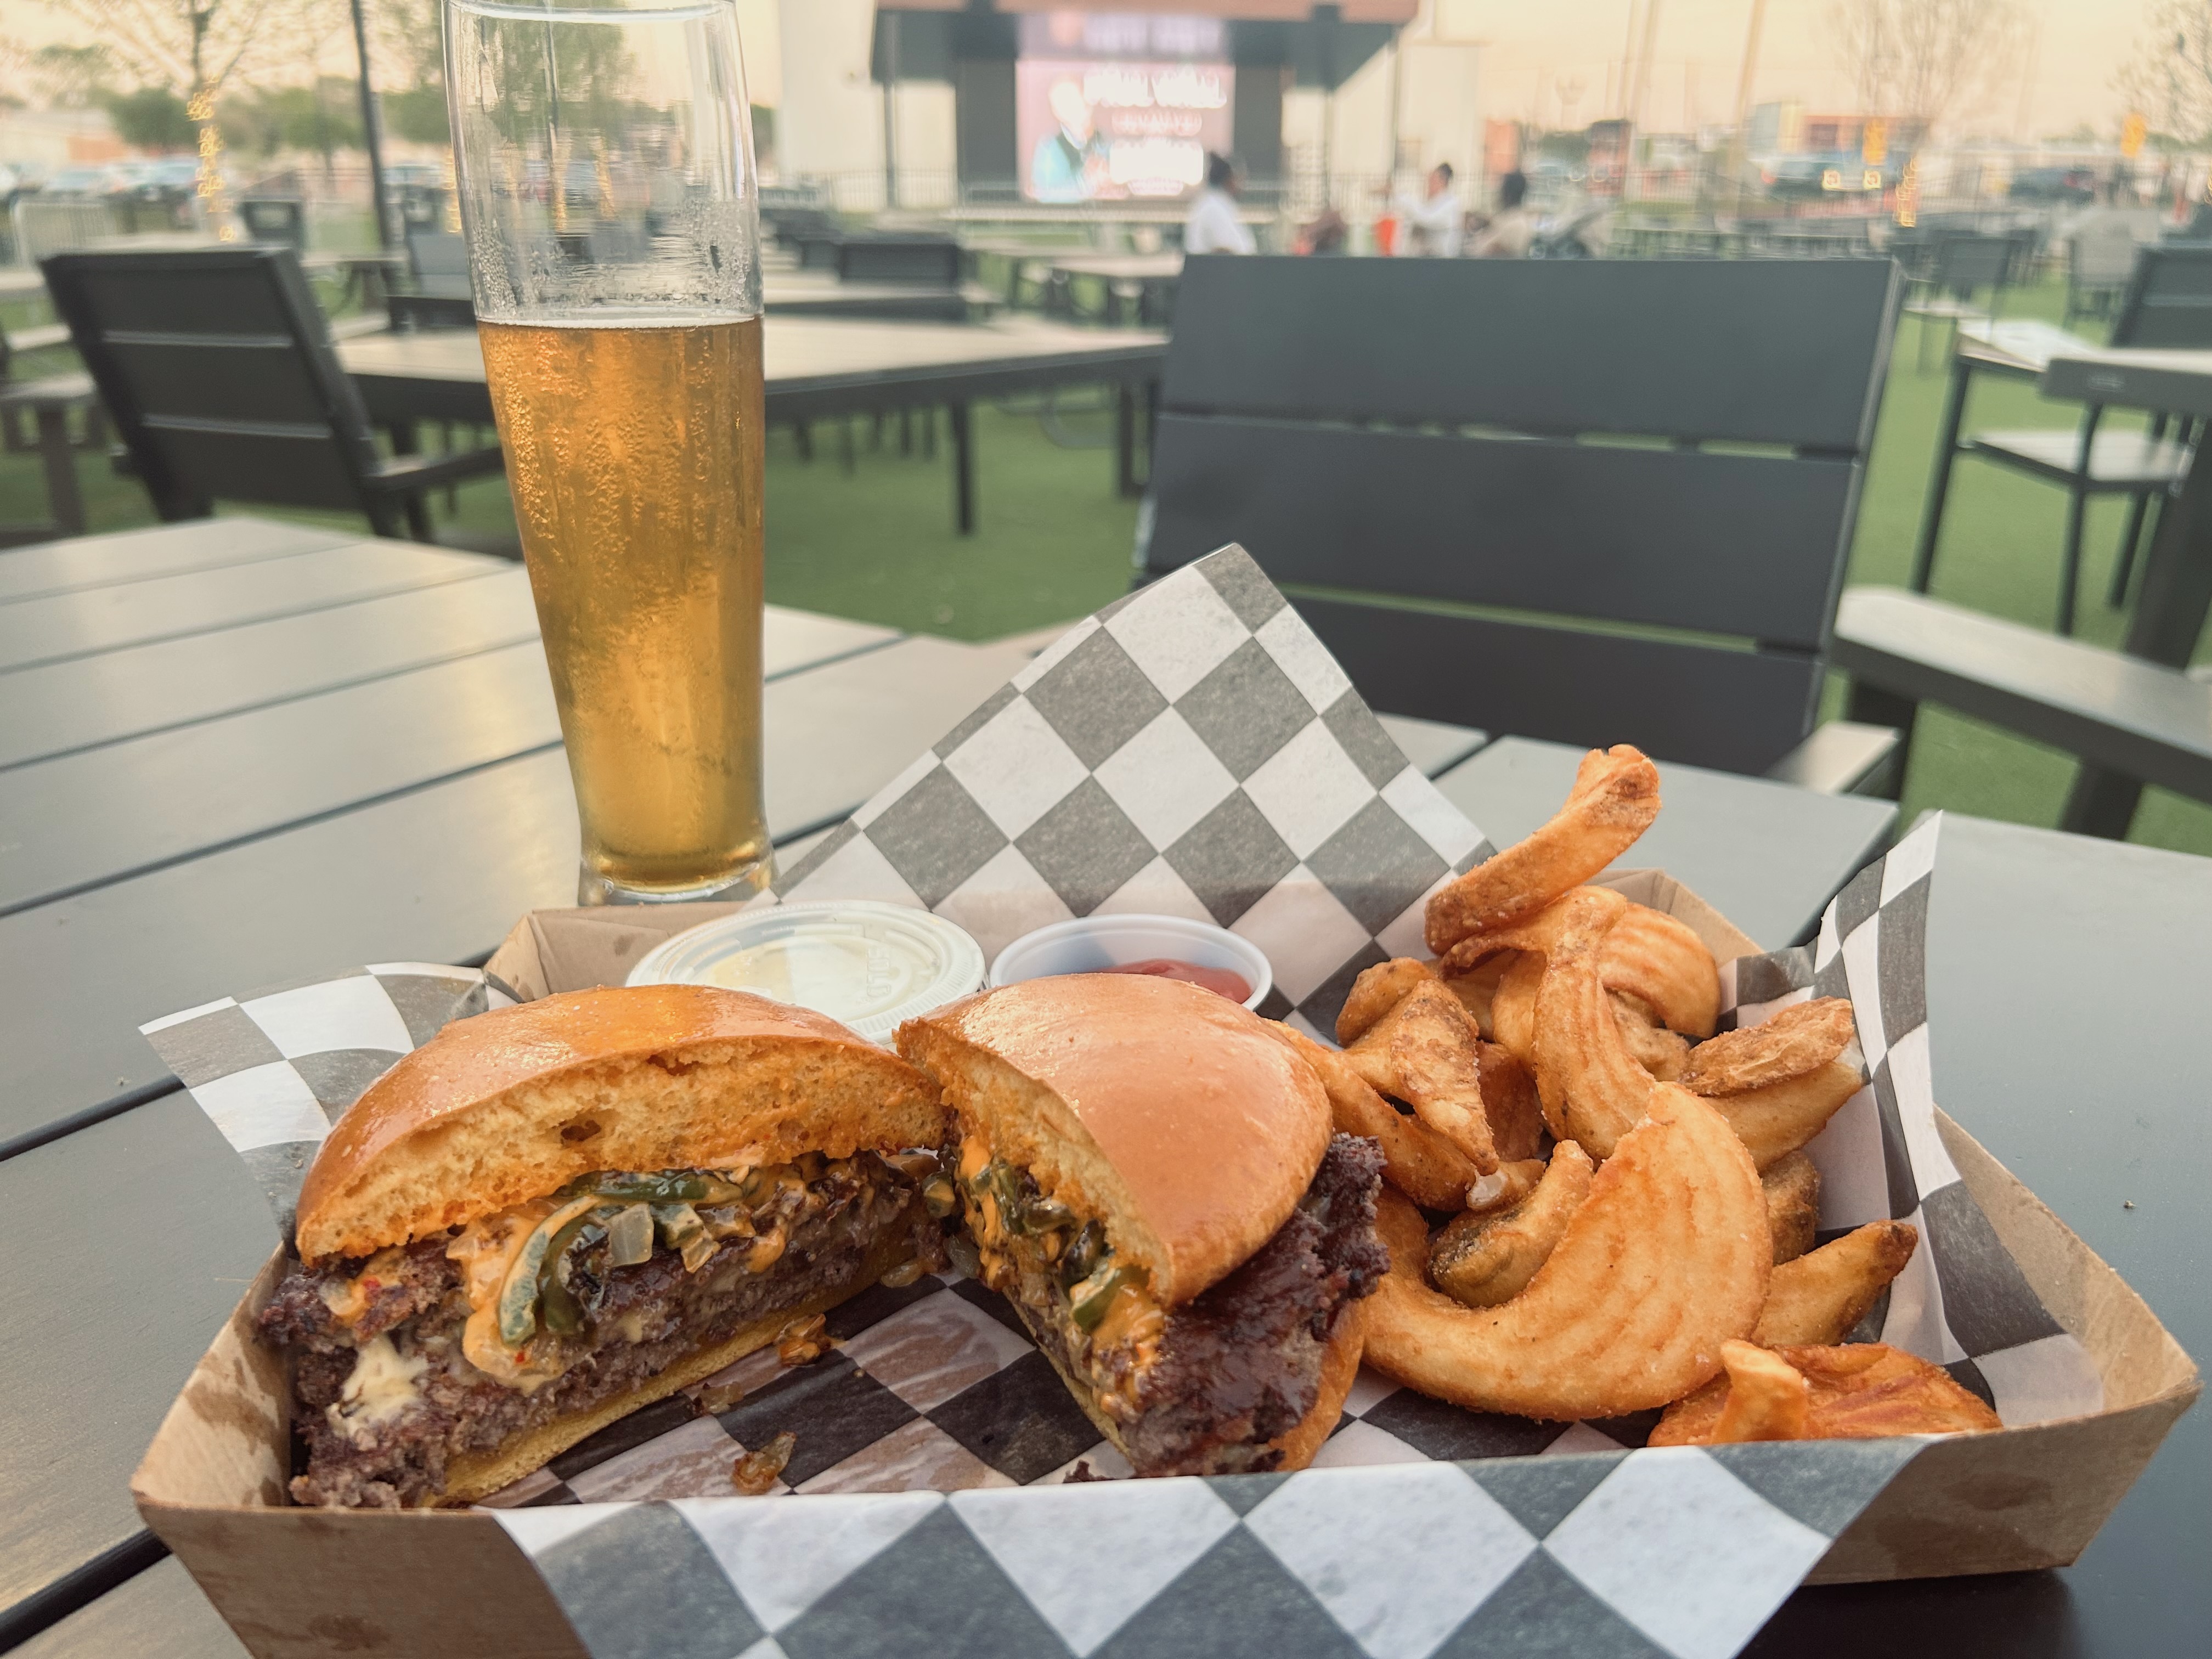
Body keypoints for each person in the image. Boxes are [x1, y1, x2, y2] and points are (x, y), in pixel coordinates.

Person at [1031, 78, 1108, 204]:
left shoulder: (1102, 140)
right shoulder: (1050, 148)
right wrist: (1087, 183)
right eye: (1072, 103)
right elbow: (1046, 195)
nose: (1083, 107)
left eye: (1082, 99)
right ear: (1058, 113)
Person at [1185, 151, 1256, 255]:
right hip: (1215, 270)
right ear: (1229, 179)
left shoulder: (1219, 203)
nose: (1241, 185)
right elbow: (1226, 249)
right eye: (1239, 178)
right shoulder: (1213, 207)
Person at [1392, 162, 1464, 257]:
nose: (1428, 184)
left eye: (1432, 180)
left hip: (1444, 261)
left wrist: (1399, 197)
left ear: (1442, 181)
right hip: (1428, 259)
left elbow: (1426, 218)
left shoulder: (1451, 204)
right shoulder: (1432, 203)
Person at [1469, 169, 1536, 258]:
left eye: (1501, 190)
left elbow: (1493, 251)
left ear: (1508, 194)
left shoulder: (1517, 224)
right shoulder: (1505, 218)